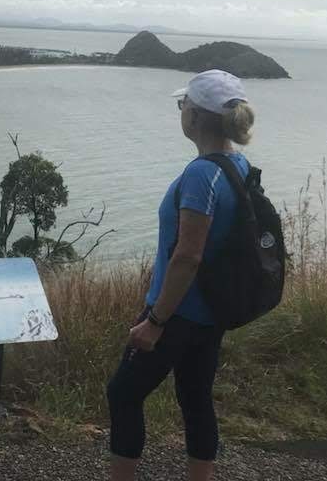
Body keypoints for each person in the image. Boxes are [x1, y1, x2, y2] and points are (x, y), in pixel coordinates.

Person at [106, 69, 256, 481]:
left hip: (176, 313)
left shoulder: (200, 174)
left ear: (194, 116)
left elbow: (188, 255)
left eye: (182, 104)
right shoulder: (238, 165)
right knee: (195, 399)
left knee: (123, 393)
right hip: (211, 312)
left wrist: (154, 322)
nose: (180, 111)